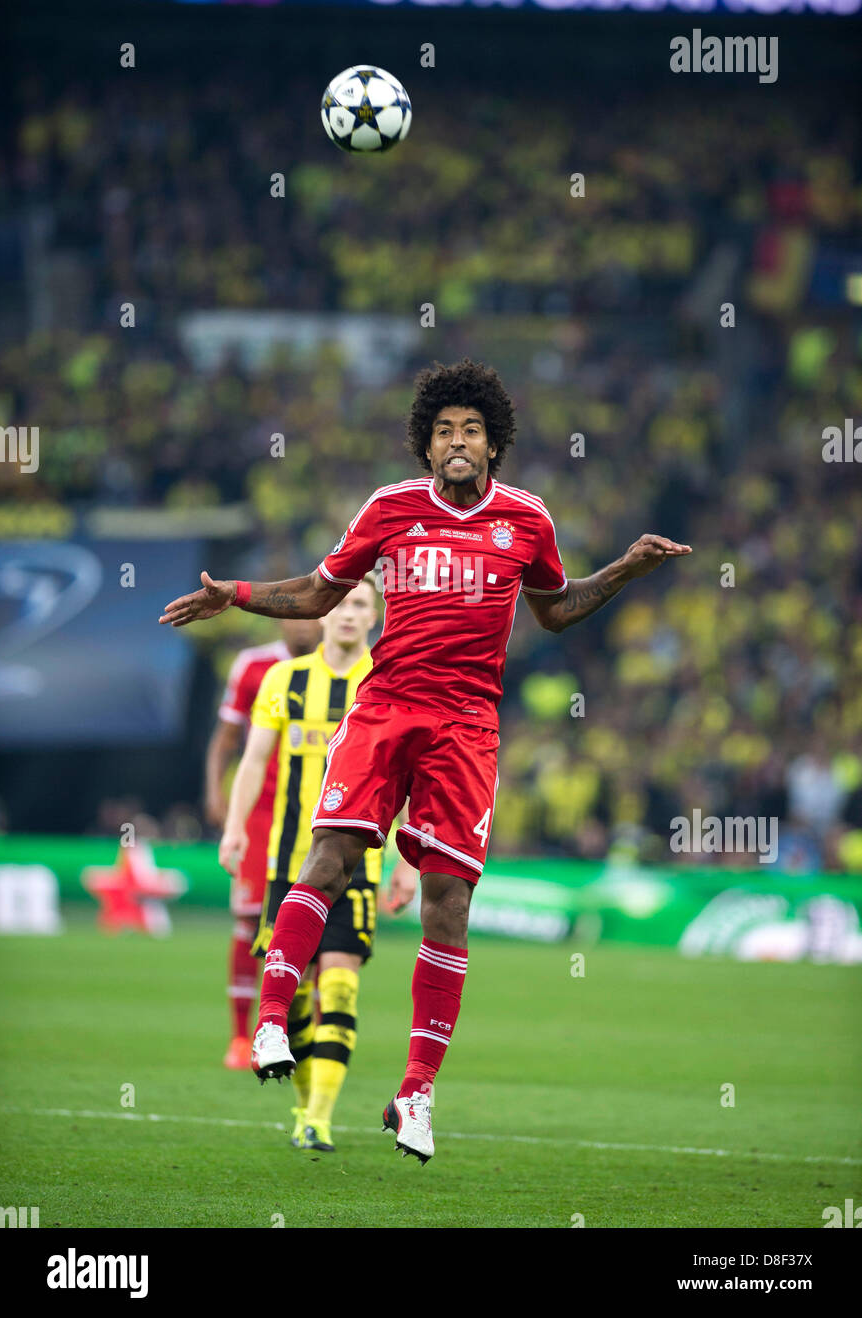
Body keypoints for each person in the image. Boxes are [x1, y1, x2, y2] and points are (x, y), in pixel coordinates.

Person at [160, 357, 691, 1164]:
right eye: (442, 430)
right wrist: (230, 593)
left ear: (492, 445)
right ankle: (272, 1020)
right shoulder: (390, 507)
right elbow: (314, 593)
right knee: (331, 857)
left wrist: (623, 570)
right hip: (385, 707)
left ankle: (415, 1093)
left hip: (466, 727)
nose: (455, 441)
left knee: (447, 903)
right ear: (425, 442)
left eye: (470, 430)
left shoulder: (527, 521)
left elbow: (554, 612)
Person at [218, 576, 414, 1150]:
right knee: (296, 996)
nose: (349, 615)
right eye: (342, 603)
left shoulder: (388, 683)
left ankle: (318, 1118)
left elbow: (406, 780)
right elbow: (254, 761)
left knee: (341, 985)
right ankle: (304, 1105)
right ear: (324, 612)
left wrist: (406, 862)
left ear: (376, 617)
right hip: (288, 864)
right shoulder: (283, 681)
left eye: (361, 605)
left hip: (359, 866)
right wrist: (234, 827)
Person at [206, 617, 321, 1069]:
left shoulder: (346, 667)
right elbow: (227, 738)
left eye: (313, 613)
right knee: (250, 918)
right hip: (260, 809)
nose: (304, 624)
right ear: (280, 619)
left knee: (310, 922)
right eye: (295, 614)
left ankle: (294, 1032)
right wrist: (217, 792)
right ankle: (240, 1036)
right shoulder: (254, 666)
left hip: (316, 810)